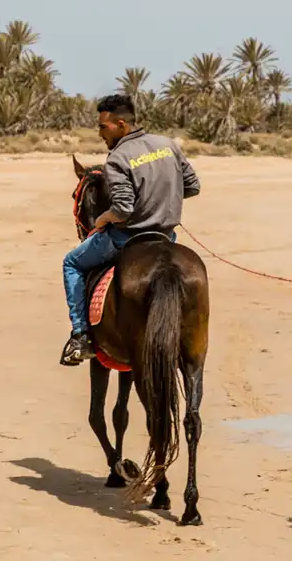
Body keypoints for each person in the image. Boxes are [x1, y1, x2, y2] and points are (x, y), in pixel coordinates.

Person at [61, 94, 201, 365]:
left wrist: (102, 220)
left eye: (103, 127)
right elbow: (193, 186)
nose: (100, 133)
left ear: (121, 124)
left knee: (72, 263)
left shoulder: (118, 158)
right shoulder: (168, 145)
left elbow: (123, 210)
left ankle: (80, 336)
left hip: (125, 239)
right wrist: (161, 198)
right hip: (166, 237)